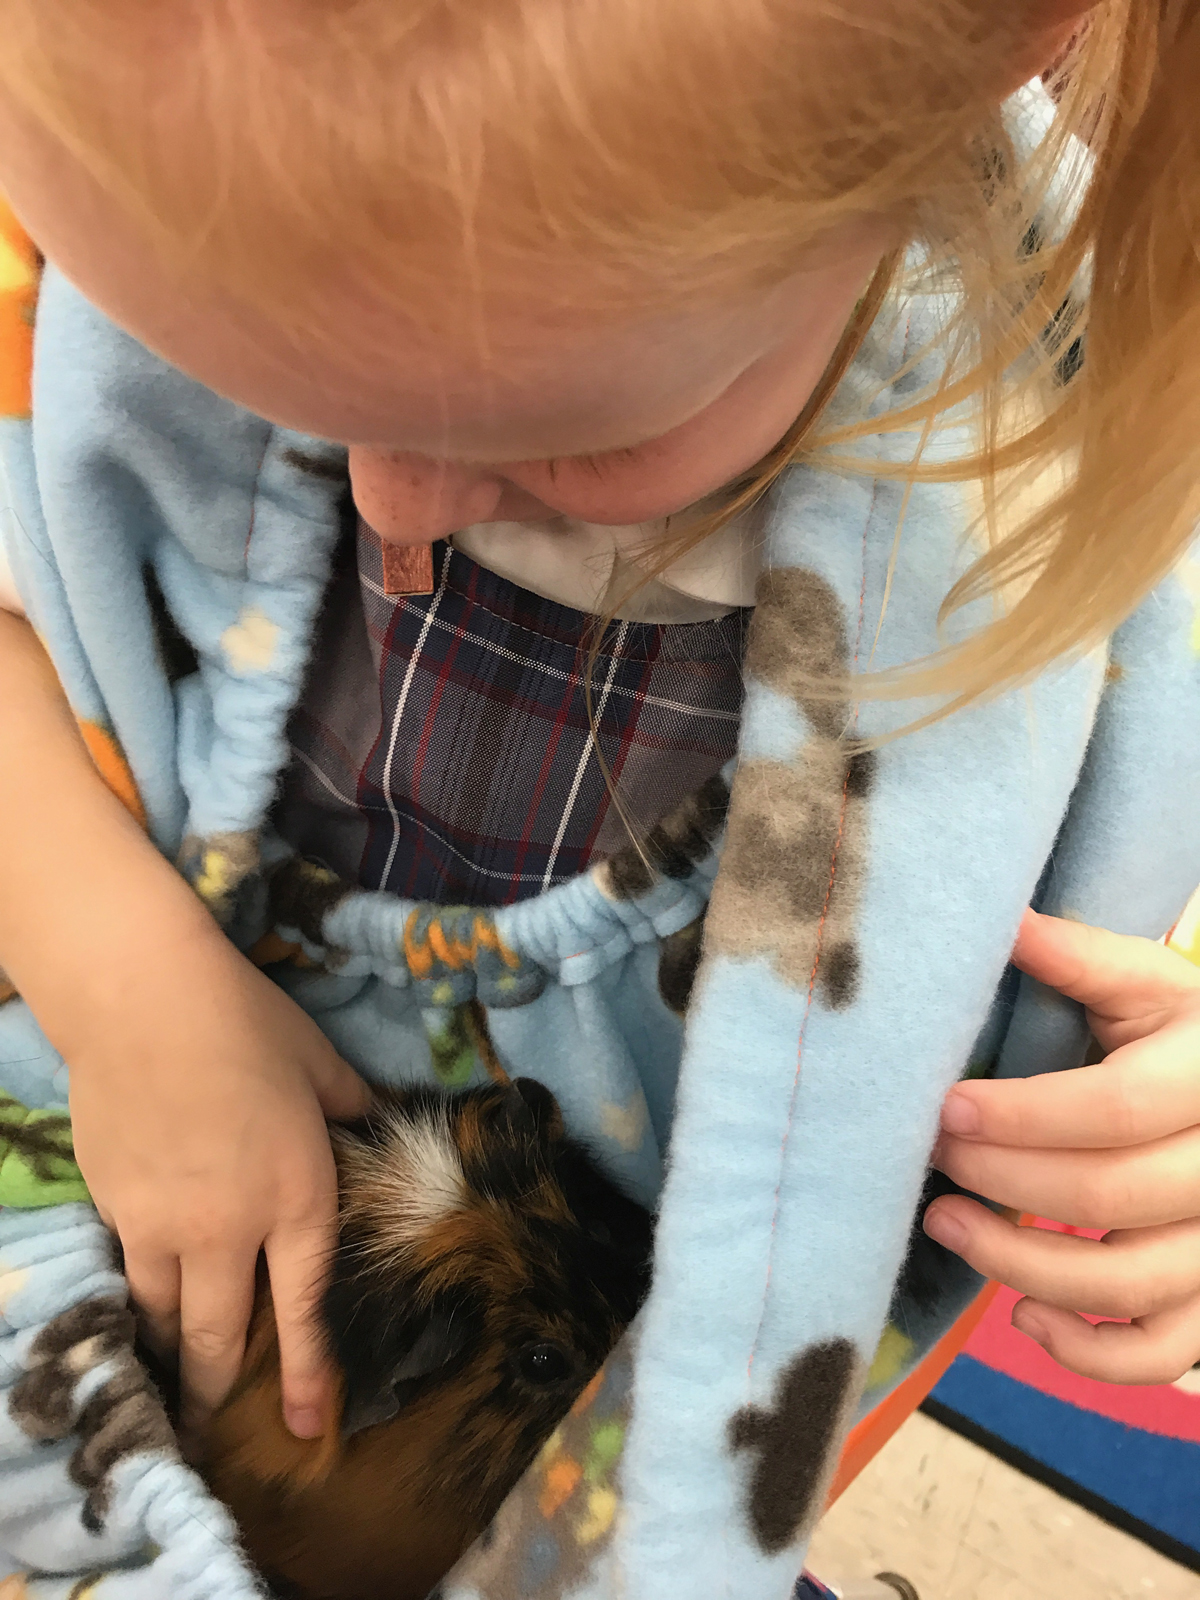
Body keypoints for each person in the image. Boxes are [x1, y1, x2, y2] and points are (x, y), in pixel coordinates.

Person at [0, 1, 1196, 1596]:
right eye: (249, 373)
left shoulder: (1085, 485)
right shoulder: (96, 130)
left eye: (563, 432)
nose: (393, 506)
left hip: (631, 1464)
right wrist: (122, 978)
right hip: (110, 1201)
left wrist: (1162, 1121)